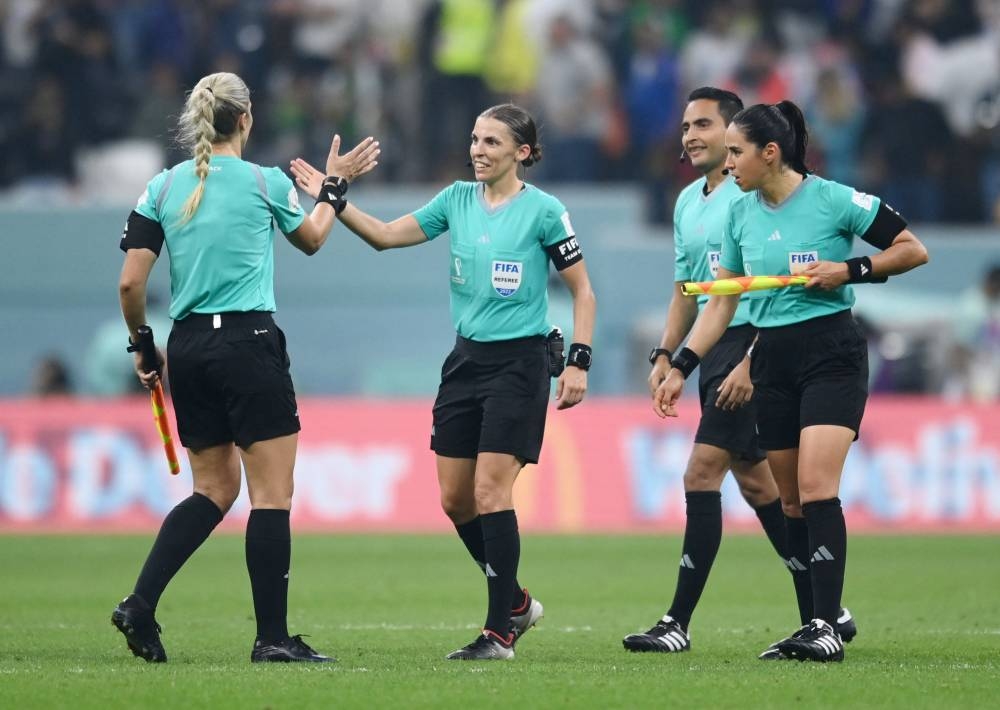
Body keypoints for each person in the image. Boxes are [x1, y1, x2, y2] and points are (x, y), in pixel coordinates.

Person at [290, 103, 597, 660]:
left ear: (522, 153)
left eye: (492, 143)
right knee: (456, 500)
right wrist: (334, 197)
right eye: (475, 139)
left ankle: (499, 632)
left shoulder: (546, 212)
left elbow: (583, 291)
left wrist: (579, 360)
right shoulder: (455, 200)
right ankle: (519, 602)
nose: (478, 150)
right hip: (464, 363)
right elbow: (384, 236)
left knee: (490, 490)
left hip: (520, 364)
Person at [111, 71, 379, 664]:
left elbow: (132, 282)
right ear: (247, 120)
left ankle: (140, 604)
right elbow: (312, 240)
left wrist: (143, 345)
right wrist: (332, 190)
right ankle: (272, 639)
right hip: (248, 341)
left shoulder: (159, 187)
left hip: (186, 347)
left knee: (213, 488)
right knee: (271, 495)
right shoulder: (264, 182)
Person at [654, 100, 929, 662]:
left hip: (831, 353)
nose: (729, 164)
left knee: (816, 487)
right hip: (772, 359)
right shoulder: (740, 215)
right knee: (792, 503)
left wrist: (851, 270)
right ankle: (816, 625)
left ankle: (826, 628)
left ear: (769, 152)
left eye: (737, 152)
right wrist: (680, 364)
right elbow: (721, 303)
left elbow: (912, 249)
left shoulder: (832, 199)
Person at [623, 87, 855, 655]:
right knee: (757, 485)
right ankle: (826, 611)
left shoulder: (753, 196)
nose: (691, 136)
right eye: (685, 126)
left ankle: (677, 621)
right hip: (712, 347)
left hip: (751, 345)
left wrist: (752, 357)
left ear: (738, 137)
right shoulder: (688, 202)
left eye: (704, 124)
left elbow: (763, 289)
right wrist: (667, 355)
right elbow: (691, 291)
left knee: (701, 473)